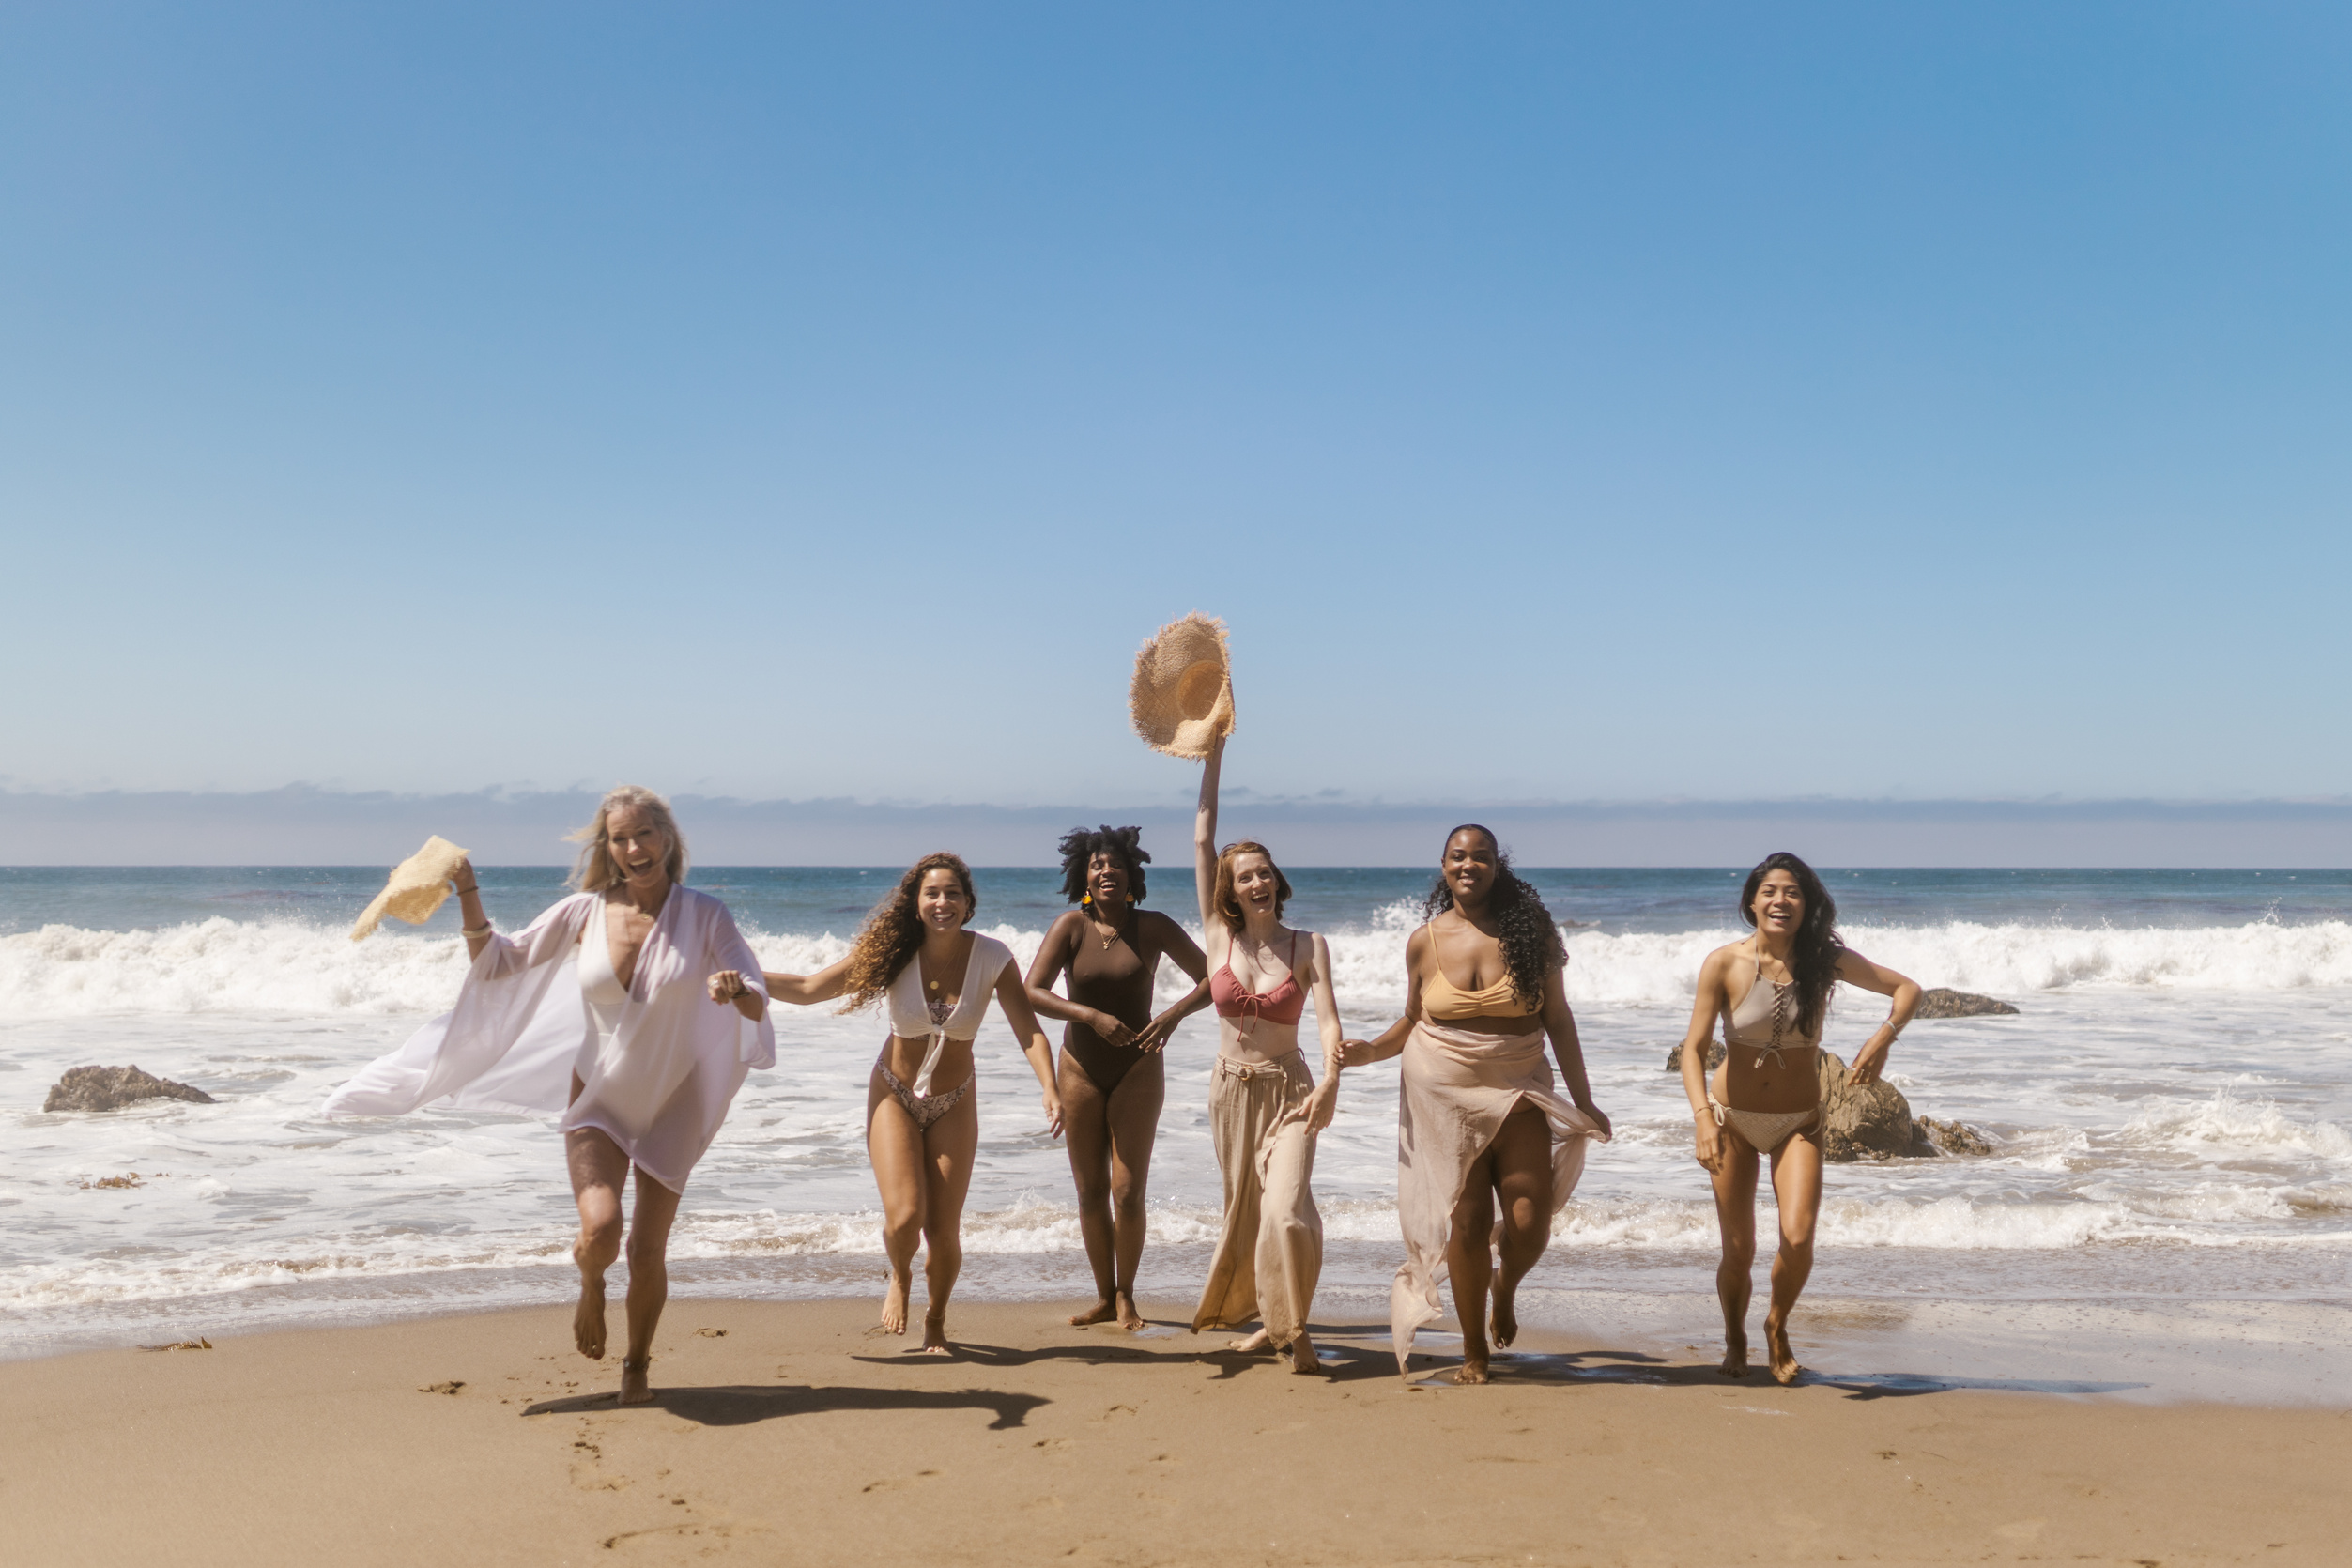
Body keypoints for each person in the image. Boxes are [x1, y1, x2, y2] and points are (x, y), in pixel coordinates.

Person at [323, 786, 773, 1406]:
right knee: (603, 1230)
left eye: (644, 834)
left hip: (676, 1096)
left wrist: (733, 990)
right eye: (619, 838)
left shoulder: (706, 914)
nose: (634, 847)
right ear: (607, 848)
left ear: (667, 839)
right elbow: (500, 963)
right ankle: (591, 1286)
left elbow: (751, 986)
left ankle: (636, 1366)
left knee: (647, 1250)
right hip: (600, 1095)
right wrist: (468, 892)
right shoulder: (582, 913)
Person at [726, 853, 1060, 1353]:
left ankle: (937, 1323)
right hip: (895, 1094)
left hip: (955, 1099)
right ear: (916, 902)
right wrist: (742, 977)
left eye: (952, 893)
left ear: (969, 904)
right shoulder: (893, 952)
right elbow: (809, 988)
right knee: (905, 1218)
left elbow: (1028, 1029)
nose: (942, 902)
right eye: (932, 893)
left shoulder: (992, 957)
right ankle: (900, 1276)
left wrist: (1049, 1087)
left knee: (944, 1232)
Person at [1341, 825, 1611, 1383]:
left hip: (1517, 1090)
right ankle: (1473, 1351)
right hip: (1441, 1100)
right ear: (1443, 865)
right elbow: (1414, 1020)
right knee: (1466, 1226)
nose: (1469, 866)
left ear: (1497, 865)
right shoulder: (1424, 940)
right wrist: (1370, 1051)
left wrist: (1583, 1098)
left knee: (1529, 1221)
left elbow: (1557, 1017)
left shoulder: (1531, 932)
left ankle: (1504, 1286)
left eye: (1481, 857)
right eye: (1458, 857)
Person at [1671, 852, 1921, 1386]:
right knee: (1737, 1251)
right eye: (1770, 891)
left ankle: (1777, 1325)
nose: (1780, 901)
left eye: (1792, 892)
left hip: (1799, 1120)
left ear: (1807, 904)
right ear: (1751, 901)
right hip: (1731, 1118)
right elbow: (1693, 1049)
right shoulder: (1723, 963)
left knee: (1799, 1235)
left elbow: (1908, 990)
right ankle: (1735, 1335)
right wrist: (1703, 1120)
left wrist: (1882, 1038)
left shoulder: (1823, 960)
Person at [1185, 733, 1344, 1371]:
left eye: (1264, 872)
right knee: (1246, 1215)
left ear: (1278, 881)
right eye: (1244, 875)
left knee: (1286, 1213)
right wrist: (1213, 756)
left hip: (1290, 1091)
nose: (1257, 881)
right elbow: (1201, 839)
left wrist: (1332, 1076)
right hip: (1229, 1091)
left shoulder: (1308, 946)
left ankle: (1295, 1331)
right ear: (1230, 889)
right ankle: (1266, 1323)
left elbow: (1329, 1021)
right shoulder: (1218, 937)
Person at [1022, 825, 1207, 1330]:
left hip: (1139, 1069)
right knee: (1089, 1192)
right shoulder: (1070, 927)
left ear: (1132, 874)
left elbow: (1213, 980)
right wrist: (1089, 1017)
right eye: (1098, 865)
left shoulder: (1154, 927)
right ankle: (1104, 1295)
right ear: (1084, 875)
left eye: (1116, 865)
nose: (1107, 871)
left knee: (1127, 1192)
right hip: (1079, 1067)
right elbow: (1032, 991)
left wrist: (1170, 1017)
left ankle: (1127, 1293)